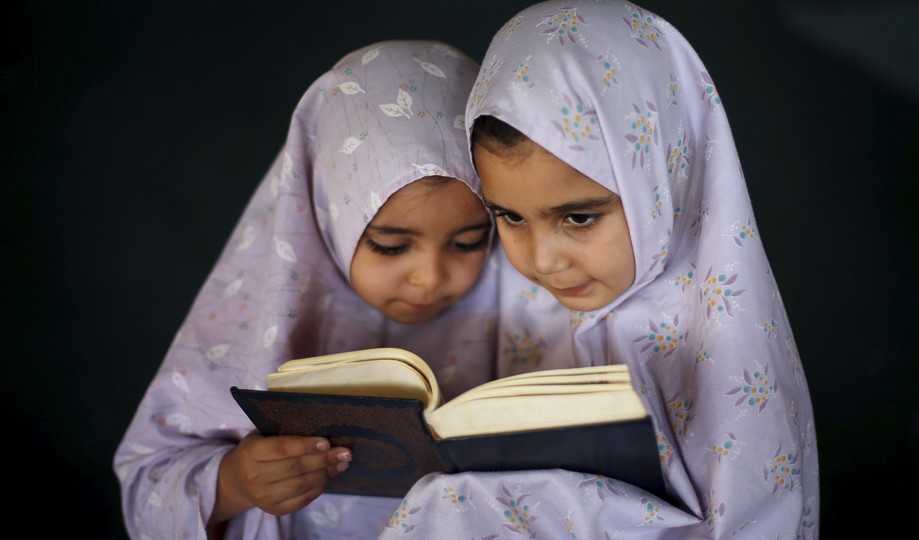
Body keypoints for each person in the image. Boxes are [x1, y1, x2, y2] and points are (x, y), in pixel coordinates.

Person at [376, 1, 820, 538]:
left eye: (580, 217)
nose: (542, 261)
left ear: (660, 174)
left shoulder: (724, 342)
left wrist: (497, 504)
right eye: (510, 217)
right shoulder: (528, 302)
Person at [114, 40, 499, 540]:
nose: (429, 276)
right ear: (324, 212)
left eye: (469, 242)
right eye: (389, 246)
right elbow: (145, 493)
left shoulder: (524, 311)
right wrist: (234, 482)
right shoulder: (256, 318)